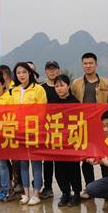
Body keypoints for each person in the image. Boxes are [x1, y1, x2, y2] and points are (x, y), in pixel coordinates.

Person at [70, 53, 108, 197]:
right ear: (82, 65)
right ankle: (90, 188)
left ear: (96, 64)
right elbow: (71, 104)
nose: (88, 66)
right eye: (85, 63)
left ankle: (107, 188)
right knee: (86, 159)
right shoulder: (76, 84)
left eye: (90, 63)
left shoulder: (106, 83)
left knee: (104, 158)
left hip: (102, 127)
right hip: (84, 127)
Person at [12, 62, 47, 205]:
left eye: (24, 72)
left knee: (36, 163)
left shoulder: (38, 89)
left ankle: (36, 193)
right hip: (19, 132)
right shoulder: (14, 91)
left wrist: (33, 127)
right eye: (18, 73)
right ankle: (26, 194)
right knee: (23, 163)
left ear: (30, 73)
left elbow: (42, 111)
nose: (21, 75)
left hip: (34, 131)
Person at [49, 74, 83, 207]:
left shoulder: (75, 102)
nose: (59, 88)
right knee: (59, 169)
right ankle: (65, 193)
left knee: (73, 168)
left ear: (68, 86)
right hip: (57, 141)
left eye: (62, 85)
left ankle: (77, 193)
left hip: (71, 141)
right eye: (56, 86)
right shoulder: (52, 103)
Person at [0, 74, 19, 203]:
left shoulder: (9, 99)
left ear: (3, 85)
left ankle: (7, 189)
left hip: (4, 136)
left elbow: (13, 116)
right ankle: (4, 187)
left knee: (1, 164)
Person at [37, 60, 61, 200]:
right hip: (45, 129)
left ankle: (64, 188)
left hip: (60, 129)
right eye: (49, 69)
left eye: (54, 69)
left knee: (60, 161)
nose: (52, 71)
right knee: (47, 161)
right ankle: (47, 187)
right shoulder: (41, 88)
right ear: (45, 71)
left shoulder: (63, 87)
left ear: (58, 70)